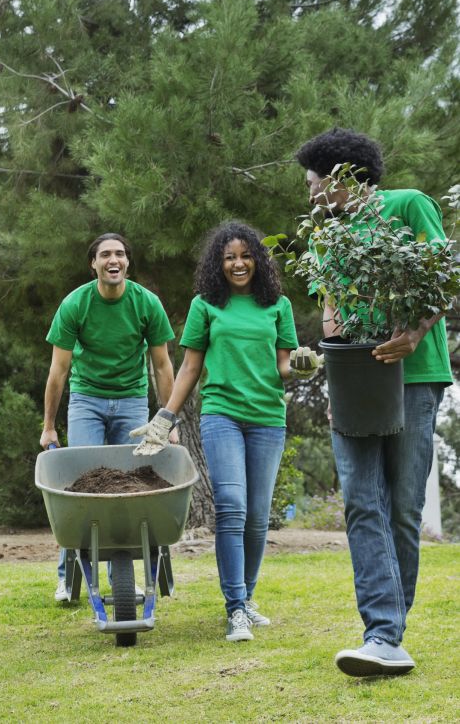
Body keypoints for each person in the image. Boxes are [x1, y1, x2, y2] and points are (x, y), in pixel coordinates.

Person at [296, 128, 452, 676]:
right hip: (357, 382)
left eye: (314, 182)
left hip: (415, 376)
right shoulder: (325, 236)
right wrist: (340, 385)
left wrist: (415, 330)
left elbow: (443, 277)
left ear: (342, 175)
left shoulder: (407, 207)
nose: (311, 194)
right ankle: (383, 635)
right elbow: (334, 314)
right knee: (362, 501)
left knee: (404, 508)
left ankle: (390, 631)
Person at [131, 222, 312, 642]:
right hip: (222, 413)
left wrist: (300, 365)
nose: (238, 264)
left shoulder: (277, 305)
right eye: (229, 257)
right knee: (231, 506)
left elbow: (283, 366)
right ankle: (234, 609)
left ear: (258, 260)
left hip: (267, 416)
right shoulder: (206, 305)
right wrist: (166, 417)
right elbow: (191, 367)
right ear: (218, 263)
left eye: (245, 255)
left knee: (257, 516)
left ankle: (246, 598)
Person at [39, 233, 176, 601]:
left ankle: (125, 576)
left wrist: (168, 421)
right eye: (104, 255)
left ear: (127, 263)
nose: (112, 260)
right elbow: (58, 371)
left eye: (119, 254)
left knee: (132, 486)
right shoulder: (75, 304)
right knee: (81, 486)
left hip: (132, 399)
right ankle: (67, 578)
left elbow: (162, 365)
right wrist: (49, 426)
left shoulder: (146, 303)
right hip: (87, 399)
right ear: (94, 264)